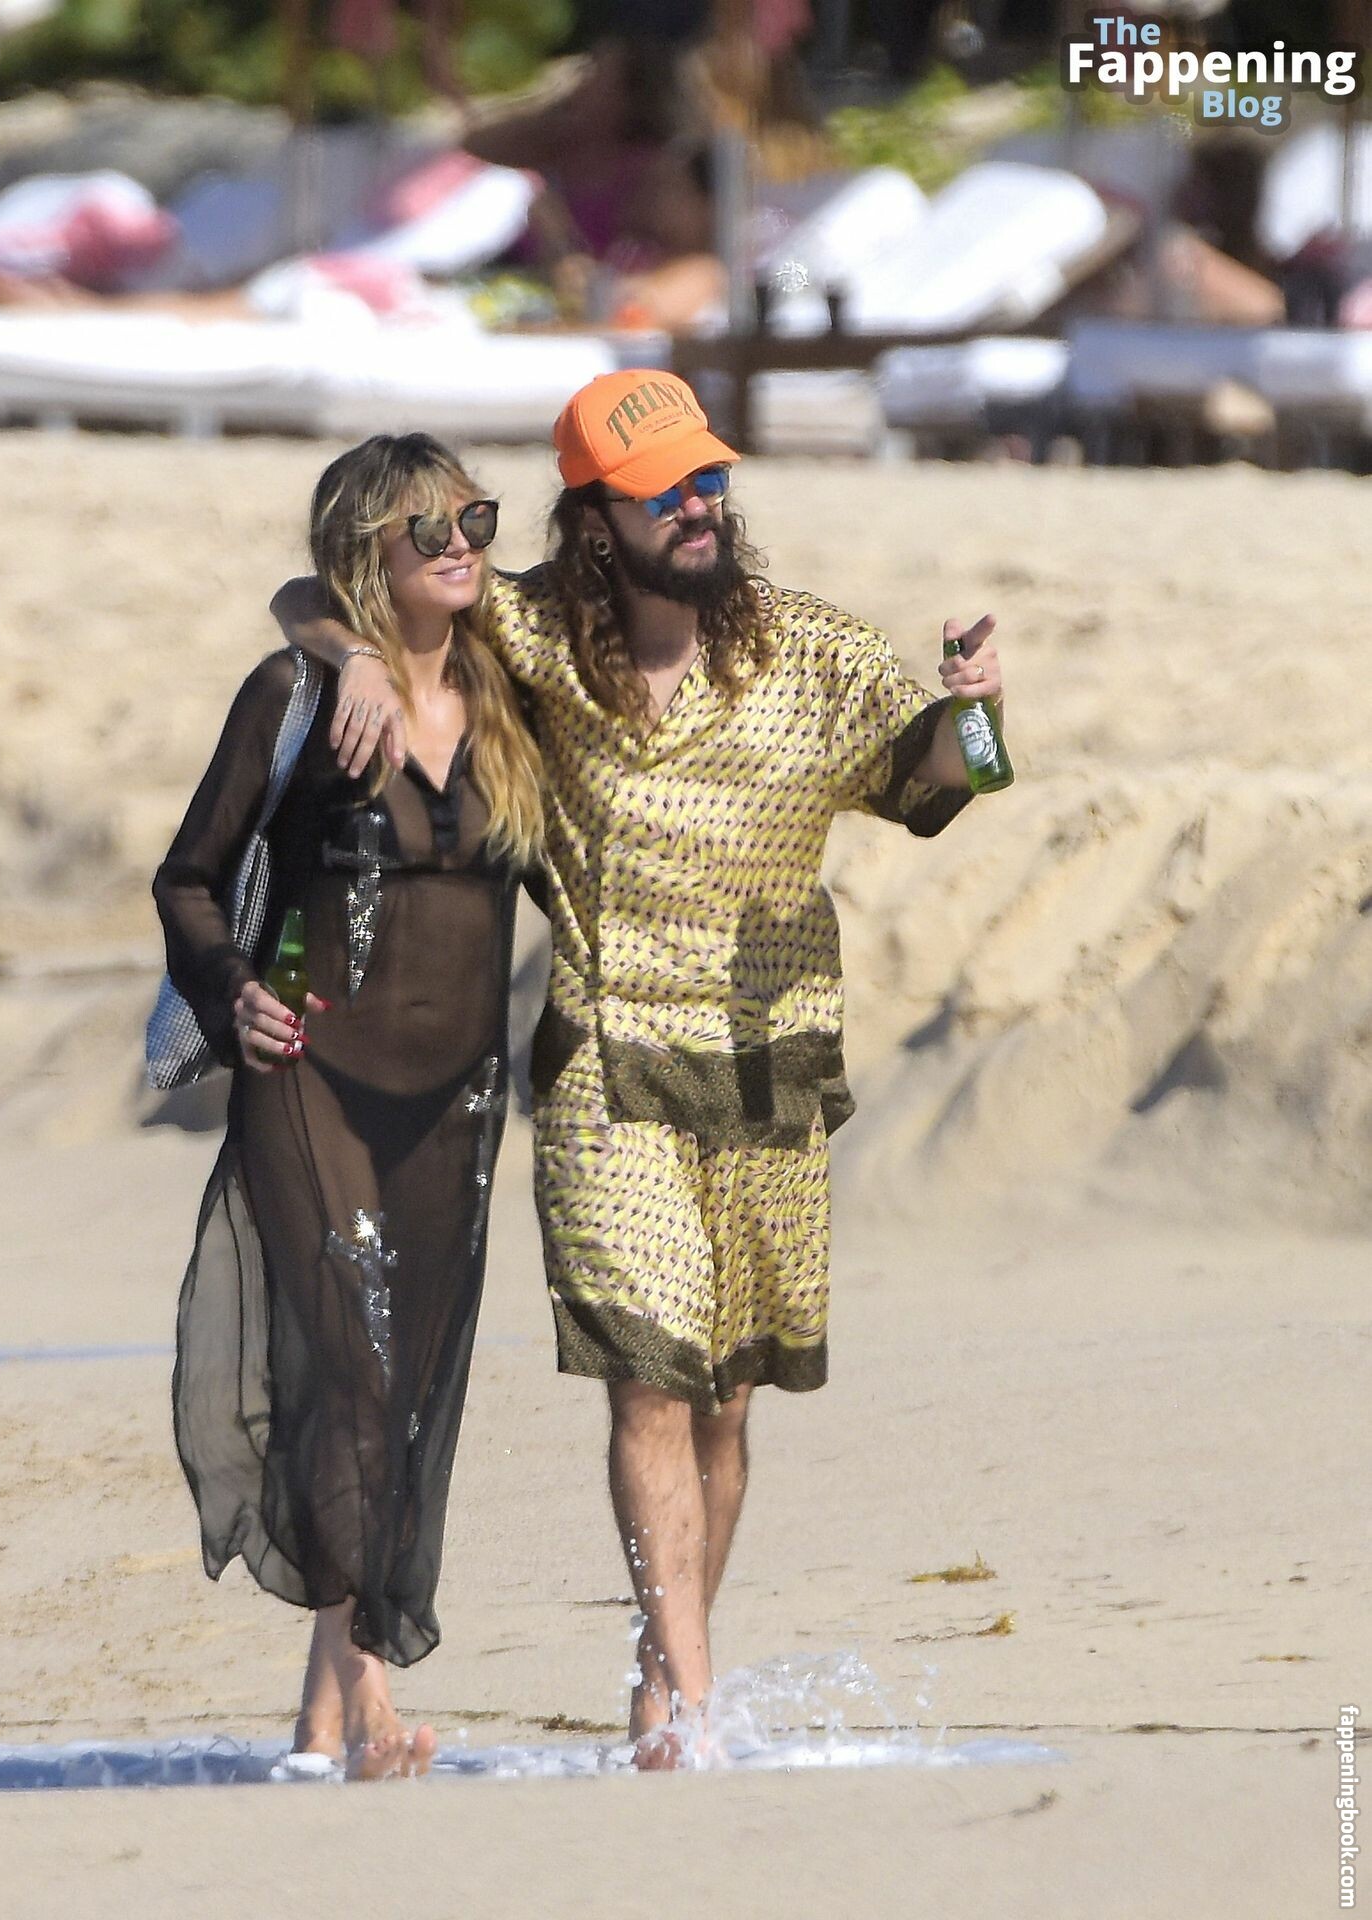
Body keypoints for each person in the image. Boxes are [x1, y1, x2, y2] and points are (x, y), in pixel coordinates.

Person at [271, 369, 1005, 1766]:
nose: (699, 504)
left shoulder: (814, 650)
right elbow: (321, 593)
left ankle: (662, 1691)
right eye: (666, 489)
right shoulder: (533, 631)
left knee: (726, 1404)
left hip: (772, 1069)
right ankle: (698, 1709)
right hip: (606, 1061)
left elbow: (929, 785)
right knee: (651, 1384)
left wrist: (974, 710)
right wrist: (353, 656)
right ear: (594, 518)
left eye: (710, 477)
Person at [154, 433, 545, 1779]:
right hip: (307, 1080)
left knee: (407, 1387)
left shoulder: (512, 689)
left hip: (455, 1098)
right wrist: (230, 994)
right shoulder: (298, 694)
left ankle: (320, 1718)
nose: (464, 546)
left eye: (477, 519)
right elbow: (188, 878)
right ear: (364, 552)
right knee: (357, 1375)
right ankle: (371, 1698)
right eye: (428, 530)